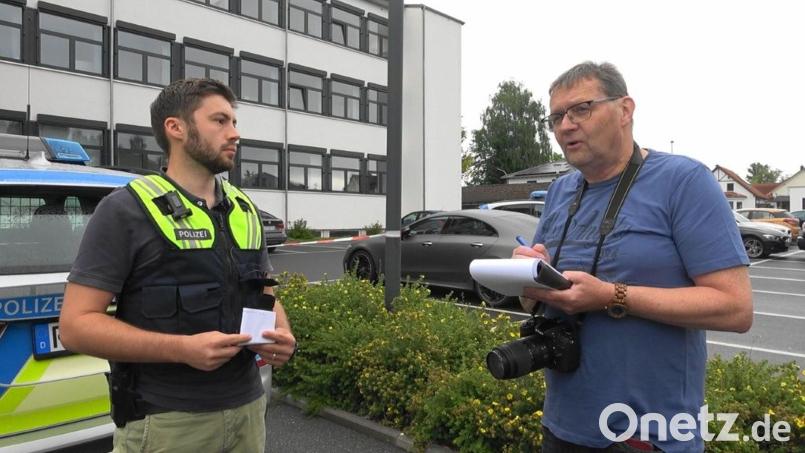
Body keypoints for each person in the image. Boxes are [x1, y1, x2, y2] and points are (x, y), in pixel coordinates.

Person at [514, 62, 752, 452]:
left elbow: (735, 308)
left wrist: (610, 295)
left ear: (625, 110)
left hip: (650, 437)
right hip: (562, 427)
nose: (565, 125)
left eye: (581, 109)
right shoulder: (559, 192)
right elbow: (534, 301)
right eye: (556, 117)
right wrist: (528, 276)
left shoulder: (685, 182)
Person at [59, 78, 296, 452]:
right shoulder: (125, 210)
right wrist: (181, 349)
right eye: (220, 121)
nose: (235, 133)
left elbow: (263, 288)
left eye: (234, 122)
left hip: (248, 410)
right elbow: (75, 327)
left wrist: (281, 335)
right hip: (167, 422)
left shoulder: (243, 207)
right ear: (176, 128)